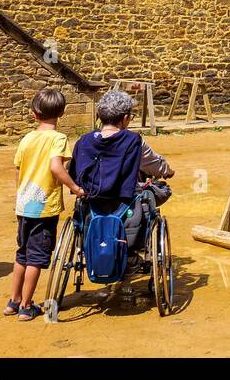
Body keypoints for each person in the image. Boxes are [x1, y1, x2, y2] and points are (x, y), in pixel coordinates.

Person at [6, 88, 84, 321]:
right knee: (37, 257)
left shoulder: (27, 138)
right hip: (43, 206)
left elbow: (18, 171)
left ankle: (14, 300)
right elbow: (56, 167)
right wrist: (75, 187)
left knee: (22, 253)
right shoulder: (58, 139)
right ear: (62, 112)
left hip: (24, 204)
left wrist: (20, 195)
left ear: (33, 113)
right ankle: (27, 305)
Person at [68, 89, 173, 258]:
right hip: (124, 199)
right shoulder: (132, 140)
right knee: (157, 192)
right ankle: (133, 251)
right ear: (125, 119)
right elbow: (153, 164)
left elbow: (73, 171)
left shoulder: (84, 141)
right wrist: (167, 171)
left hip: (91, 198)